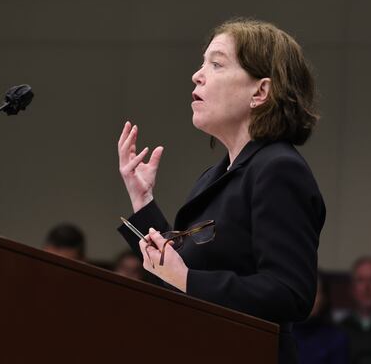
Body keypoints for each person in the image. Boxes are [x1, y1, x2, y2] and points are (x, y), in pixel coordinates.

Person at [116, 18, 326, 364]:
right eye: (202, 64)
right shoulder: (214, 176)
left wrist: (189, 280)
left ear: (260, 92)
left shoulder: (279, 169)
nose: (198, 75)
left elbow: (291, 293)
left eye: (216, 64)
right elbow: (176, 279)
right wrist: (143, 201)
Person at [293, 272, 348, 364]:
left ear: (324, 299)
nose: (308, 297)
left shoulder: (336, 338)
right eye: (303, 290)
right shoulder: (281, 334)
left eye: (315, 291)